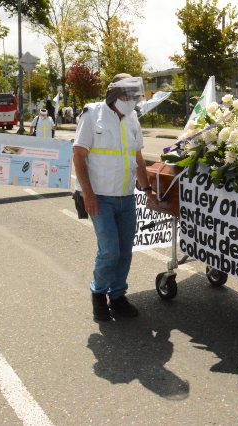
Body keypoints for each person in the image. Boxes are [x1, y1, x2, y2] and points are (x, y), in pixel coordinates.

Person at [73, 73, 151, 322]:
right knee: (109, 251)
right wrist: (88, 194)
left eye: (134, 97)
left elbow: (138, 158)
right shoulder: (92, 114)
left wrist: (147, 190)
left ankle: (117, 297)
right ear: (115, 95)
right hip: (100, 198)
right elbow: (78, 155)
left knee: (125, 251)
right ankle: (98, 294)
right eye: (128, 96)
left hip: (126, 197)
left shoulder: (133, 118)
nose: (132, 101)